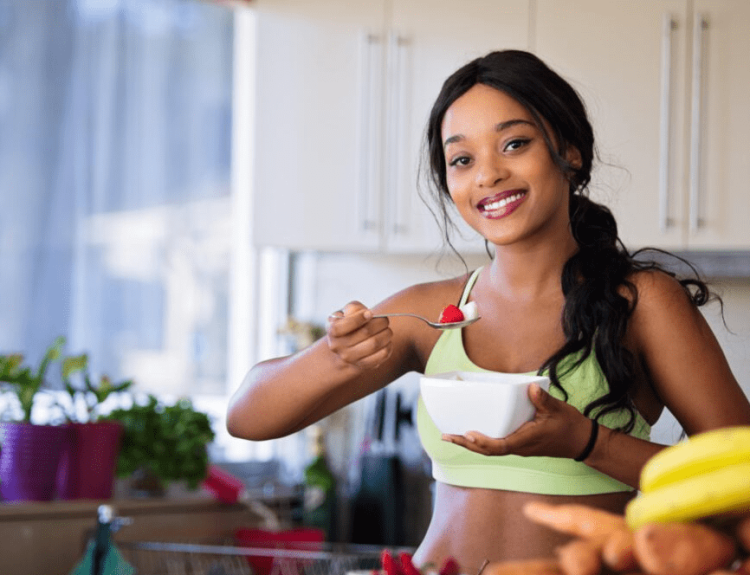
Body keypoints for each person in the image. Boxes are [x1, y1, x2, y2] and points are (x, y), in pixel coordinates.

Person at [226, 50, 750, 572]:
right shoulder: (432, 311)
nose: (488, 175)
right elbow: (247, 417)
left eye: (514, 144)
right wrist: (334, 358)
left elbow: (742, 481)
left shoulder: (640, 303)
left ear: (569, 152)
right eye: (462, 159)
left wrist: (587, 441)